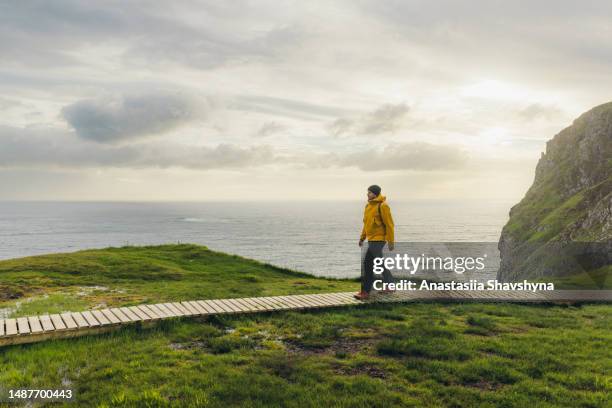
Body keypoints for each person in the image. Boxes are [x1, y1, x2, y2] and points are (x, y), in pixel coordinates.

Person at [354, 185, 395, 300]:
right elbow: (366, 224)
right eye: (368, 192)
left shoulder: (383, 206)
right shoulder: (368, 206)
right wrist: (362, 238)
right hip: (371, 239)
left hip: (379, 239)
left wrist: (391, 241)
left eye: (370, 192)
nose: (367, 194)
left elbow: (390, 224)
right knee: (378, 263)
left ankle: (365, 291)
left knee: (368, 264)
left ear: (376, 194)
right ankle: (389, 285)